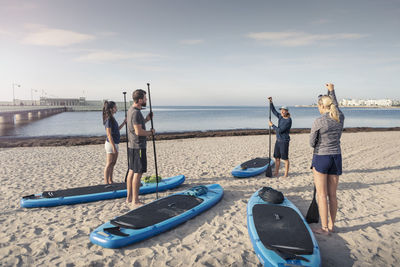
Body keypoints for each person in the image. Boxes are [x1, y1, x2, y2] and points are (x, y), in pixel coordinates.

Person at [310, 83, 345, 235]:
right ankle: (331, 225)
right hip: (336, 156)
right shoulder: (340, 117)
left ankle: (324, 228)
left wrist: (318, 141)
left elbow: (312, 143)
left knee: (322, 195)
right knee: (333, 195)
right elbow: (335, 104)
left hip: (322, 157)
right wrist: (331, 90)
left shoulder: (319, 121)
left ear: (321, 106)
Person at [126, 89, 155, 208]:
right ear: (139, 100)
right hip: (138, 146)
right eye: (144, 98)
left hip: (132, 145)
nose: (146, 100)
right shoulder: (136, 113)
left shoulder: (131, 110)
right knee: (138, 172)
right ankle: (135, 200)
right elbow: (138, 131)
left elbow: (136, 125)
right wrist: (150, 133)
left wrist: (147, 119)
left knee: (132, 171)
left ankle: (129, 198)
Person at [102, 101, 126, 184]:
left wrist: (124, 123)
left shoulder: (112, 118)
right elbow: (109, 134)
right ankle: (106, 182)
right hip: (110, 144)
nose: (116, 109)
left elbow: (116, 130)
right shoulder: (108, 120)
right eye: (115, 107)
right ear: (111, 109)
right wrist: (113, 147)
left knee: (113, 163)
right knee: (109, 163)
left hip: (115, 143)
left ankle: (110, 180)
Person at [268, 97, 292, 178]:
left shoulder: (288, 120)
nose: (282, 111)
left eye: (283, 110)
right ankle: (276, 172)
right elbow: (274, 111)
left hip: (284, 141)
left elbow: (280, 130)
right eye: (281, 110)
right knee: (277, 158)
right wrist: (271, 102)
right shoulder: (281, 117)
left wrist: (272, 125)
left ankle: (286, 174)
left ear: (287, 111)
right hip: (278, 141)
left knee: (285, 159)